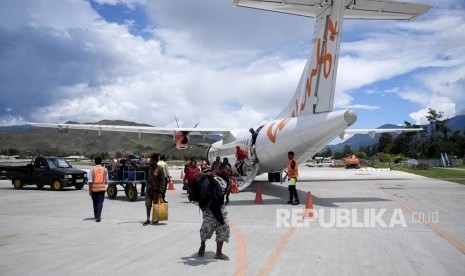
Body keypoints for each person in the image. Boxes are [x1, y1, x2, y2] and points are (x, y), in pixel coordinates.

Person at [197, 169, 231, 261]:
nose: (228, 172)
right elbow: (197, 175)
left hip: (221, 210)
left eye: (229, 171)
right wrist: (205, 174)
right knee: (206, 229)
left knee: (223, 229)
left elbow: (224, 195)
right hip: (209, 210)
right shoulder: (212, 179)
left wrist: (227, 191)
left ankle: (218, 253)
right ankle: (202, 244)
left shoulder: (226, 182)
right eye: (226, 170)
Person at [133, 153, 166, 225]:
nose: (149, 161)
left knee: (155, 205)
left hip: (156, 191)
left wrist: (160, 192)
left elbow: (162, 181)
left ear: (155, 161)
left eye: (151, 160)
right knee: (148, 204)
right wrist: (134, 164)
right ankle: (148, 219)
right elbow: (140, 167)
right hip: (149, 190)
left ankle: (155, 219)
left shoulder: (160, 169)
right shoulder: (149, 168)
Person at [88, 156, 109, 222]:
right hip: (102, 189)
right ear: (101, 162)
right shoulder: (104, 169)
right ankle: (98, 216)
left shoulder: (92, 169)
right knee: (100, 203)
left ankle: (96, 215)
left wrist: (90, 190)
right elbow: (106, 180)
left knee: (95, 202)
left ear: (95, 162)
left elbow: (90, 181)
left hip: (94, 189)